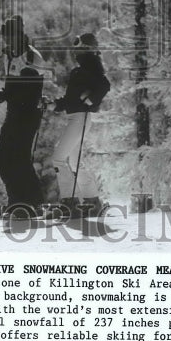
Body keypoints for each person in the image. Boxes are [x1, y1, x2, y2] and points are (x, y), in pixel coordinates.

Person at [0, 15, 46, 218]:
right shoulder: (9, 55)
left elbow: (29, 92)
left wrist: (4, 95)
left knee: (19, 160)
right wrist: (1, 94)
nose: (6, 41)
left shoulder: (30, 56)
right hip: (15, 113)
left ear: (19, 35)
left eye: (9, 36)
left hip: (28, 114)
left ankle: (32, 203)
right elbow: (12, 87)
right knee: (4, 159)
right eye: (5, 37)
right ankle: (17, 202)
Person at [51, 32, 110, 217]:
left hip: (80, 117)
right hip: (77, 116)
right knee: (75, 163)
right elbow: (72, 99)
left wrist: (91, 99)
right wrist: (55, 104)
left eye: (79, 48)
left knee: (59, 159)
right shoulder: (81, 69)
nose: (76, 52)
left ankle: (70, 203)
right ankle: (93, 202)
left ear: (87, 49)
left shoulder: (91, 65)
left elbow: (104, 85)